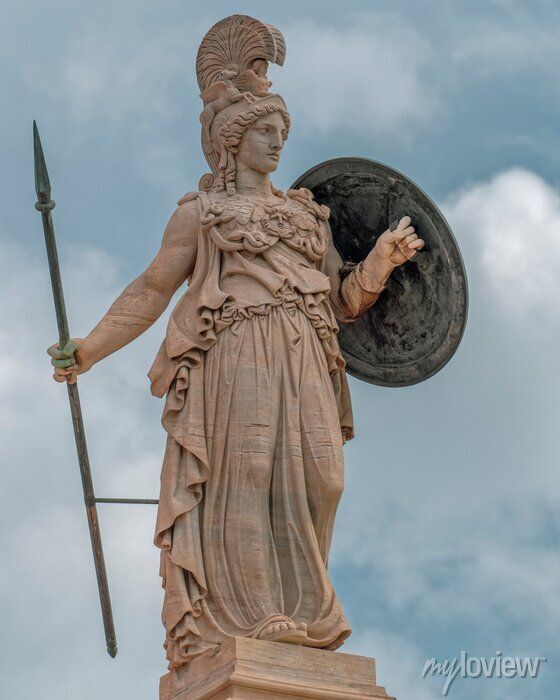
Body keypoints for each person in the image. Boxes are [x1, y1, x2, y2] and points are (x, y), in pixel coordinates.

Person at [48, 15, 424, 670]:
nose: (279, 143)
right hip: (240, 344)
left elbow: (340, 302)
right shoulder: (201, 214)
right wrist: (89, 347)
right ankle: (252, 616)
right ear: (233, 139)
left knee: (323, 480)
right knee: (246, 473)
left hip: (306, 349)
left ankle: (305, 611)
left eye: (283, 132)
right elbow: (151, 288)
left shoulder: (308, 215)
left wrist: (382, 264)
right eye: (266, 132)